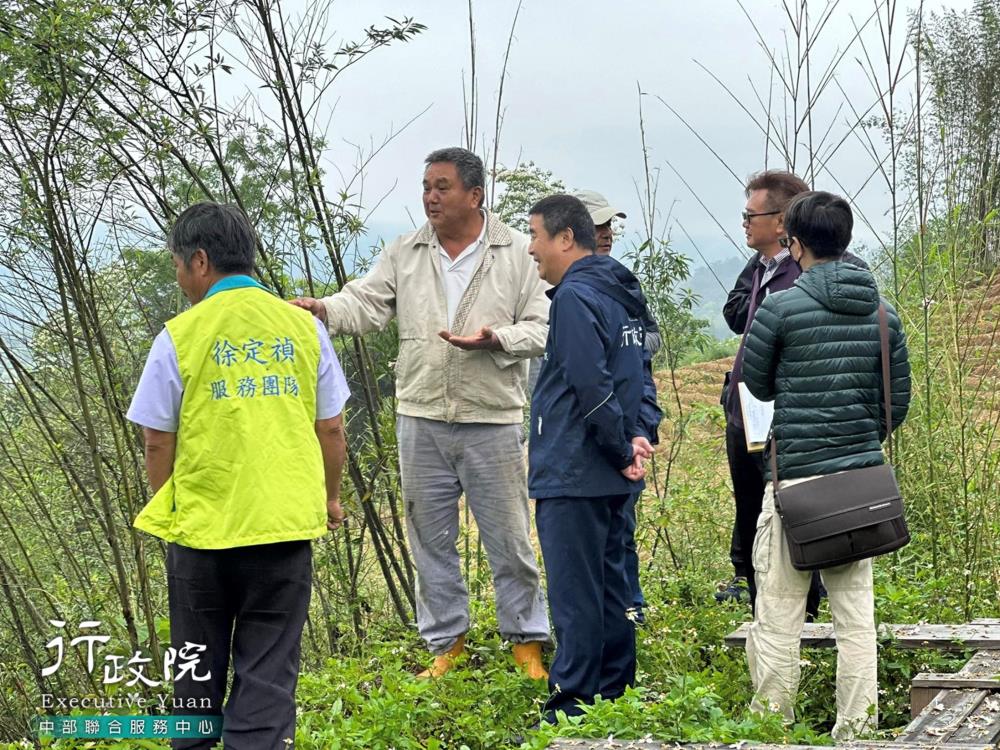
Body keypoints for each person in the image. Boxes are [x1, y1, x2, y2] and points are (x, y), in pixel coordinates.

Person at [292, 147, 551, 680]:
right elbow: (364, 303)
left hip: (492, 416)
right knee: (428, 538)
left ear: (474, 196)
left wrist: (495, 339)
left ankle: (526, 640)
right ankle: (446, 642)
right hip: (420, 413)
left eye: (443, 187)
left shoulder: (519, 253)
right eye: (427, 186)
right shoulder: (406, 251)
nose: (431, 197)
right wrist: (323, 310)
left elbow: (544, 327)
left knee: (509, 537)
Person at [128, 202, 350, 749]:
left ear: (200, 261)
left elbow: (157, 438)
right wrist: (329, 499)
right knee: (269, 675)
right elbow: (332, 431)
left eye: (178, 265)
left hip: (201, 535)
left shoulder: (179, 336)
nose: (179, 279)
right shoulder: (303, 329)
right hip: (283, 530)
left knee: (197, 677)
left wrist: (170, 504)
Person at [741, 190, 910, 740]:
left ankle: (773, 727)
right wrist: (859, 440)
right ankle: (857, 731)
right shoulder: (884, 313)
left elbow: (757, 384)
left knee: (779, 611)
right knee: (856, 615)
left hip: (795, 485)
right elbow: (896, 403)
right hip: (859, 483)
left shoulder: (780, 307)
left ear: (795, 243)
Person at [527, 194, 654, 723]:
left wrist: (621, 446)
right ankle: (614, 693)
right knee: (611, 586)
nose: (531, 248)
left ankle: (572, 704)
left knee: (576, 591)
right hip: (611, 470)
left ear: (564, 238)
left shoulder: (576, 297)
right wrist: (640, 435)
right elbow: (639, 371)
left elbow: (590, 384)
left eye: (535, 236)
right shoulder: (621, 292)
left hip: (574, 469)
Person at [718, 170, 868, 614]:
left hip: (792, 420)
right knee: (753, 509)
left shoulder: (820, 274)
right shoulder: (762, 268)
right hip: (747, 410)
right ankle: (756, 594)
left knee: (800, 515)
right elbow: (734, 312)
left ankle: (800, 610)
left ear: (784, 222)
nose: (744, 222)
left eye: (752, 214)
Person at [574, 189, 663, 623]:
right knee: (585, 535)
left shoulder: (623, 282)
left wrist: (644, 424)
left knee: (621, 527)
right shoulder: (562, 291)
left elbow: (648, 346)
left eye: (610, 226)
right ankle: (602, 615)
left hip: (628, 429)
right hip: (581, 435)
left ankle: (629, 607)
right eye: (598, 225)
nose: (606, 234)